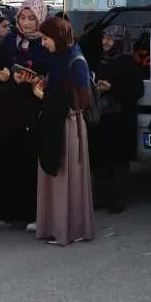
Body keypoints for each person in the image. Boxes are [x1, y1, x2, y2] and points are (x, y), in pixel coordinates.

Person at [0, 0, 49, 232]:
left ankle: (35, 213)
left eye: (31, 18)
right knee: (1, 159)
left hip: (32, 110)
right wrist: (2, 74)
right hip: (6, 108)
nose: (26, 23)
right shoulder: (10, 41)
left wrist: (33, 79)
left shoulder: (45, 44)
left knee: (29, 162)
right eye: (22, 18)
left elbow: (52, 75)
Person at [32, 16, 95, 246]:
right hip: (53, 121)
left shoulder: (76, 60)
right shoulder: (59, 57)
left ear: (59, 37)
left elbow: (81, 100)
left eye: (46, 38)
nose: (44, 43)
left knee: (66, 175)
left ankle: (71, 229)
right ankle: (53, 226)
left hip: (68, 126)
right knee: (54, 176)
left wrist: (45, 96)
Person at [88, 25, 144, 213]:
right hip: (103, 119)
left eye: (110, 39)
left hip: (121, 121)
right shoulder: (100, 61)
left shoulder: (128, 62)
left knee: (119, 162)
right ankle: (101, 197)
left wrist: (111, 88)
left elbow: (137, 90)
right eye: (104, 37)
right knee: (100, 159)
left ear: (120, 41)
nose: (105, 42)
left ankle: (118, 201)